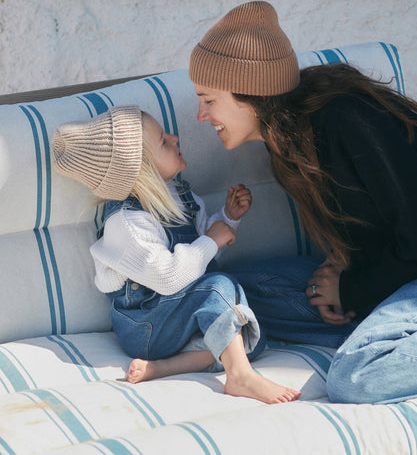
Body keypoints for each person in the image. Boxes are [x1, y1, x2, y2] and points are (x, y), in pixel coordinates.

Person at [188, 0, 417, 404]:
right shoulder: (289, 144)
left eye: (209, 100)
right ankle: (401, 336)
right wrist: (343, 272)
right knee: (239, 291)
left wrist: (352, 289)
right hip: (407, 278)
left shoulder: (345, 118)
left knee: (355, 374)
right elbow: (378, 226)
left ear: (251, 94)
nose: (200, 115)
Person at [51, 105, 300, 404]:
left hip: (176, 319)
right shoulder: (126, 223)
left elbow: (198, 241)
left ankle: (163, 368)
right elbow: (169, 277)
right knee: (220, 287)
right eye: (163, 143)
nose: (174, 138)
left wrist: (227, 218)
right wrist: (213, 239)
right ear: (140, 170)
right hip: (146, 325)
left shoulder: (182, 196)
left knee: (244, 331)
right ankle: (240, 377)